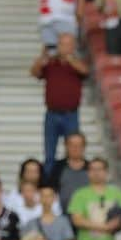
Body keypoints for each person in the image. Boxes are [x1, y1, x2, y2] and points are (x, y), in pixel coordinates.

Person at [32, 31, 88, 171]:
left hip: (71, 114)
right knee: (49, 153)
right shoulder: (51, 63)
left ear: (73, 46)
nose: (64, 48)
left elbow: (85, 71)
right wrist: (42, 57)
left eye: (68, 44)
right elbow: (34, 72)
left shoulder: (77, 62)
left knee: (73, 153)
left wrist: (69, 59)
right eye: (62, 44)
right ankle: (50, 183)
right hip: (52, 114)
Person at [67, 157, 121, 240]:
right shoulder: (80, 194)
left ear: (106, 172)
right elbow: (77, 220)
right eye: (92, 169)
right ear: (88, 172)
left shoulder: (118, 194)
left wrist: (114, 224)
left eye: (100, 169)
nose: (96, 173)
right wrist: (105, 227)